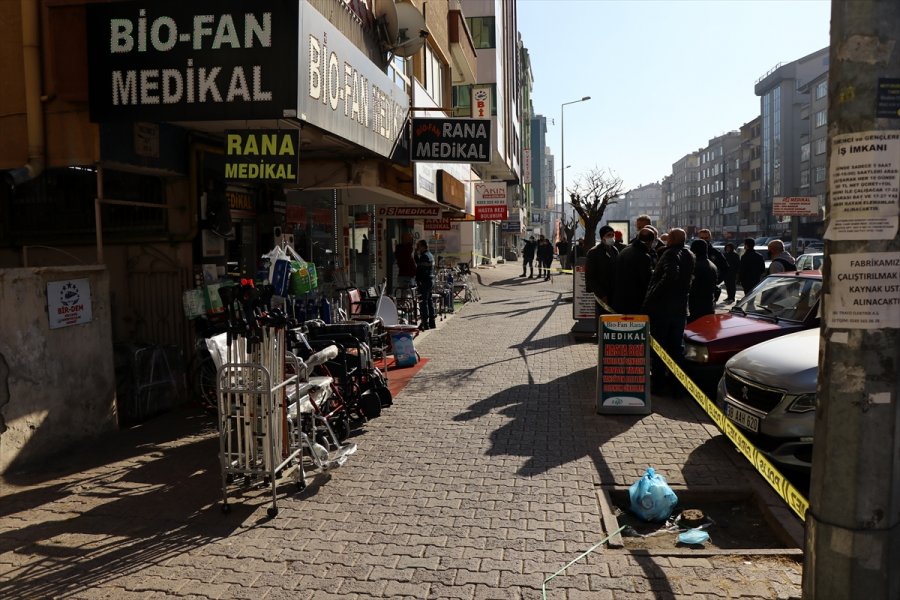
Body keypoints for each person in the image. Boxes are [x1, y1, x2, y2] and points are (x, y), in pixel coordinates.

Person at [642, 228, 695, 392]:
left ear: (671, 239)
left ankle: (658, 385)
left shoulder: (670, 253)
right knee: (676, 349)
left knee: (659, 348)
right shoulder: (690, 254)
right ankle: (677, 385)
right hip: (680, 309)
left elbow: (670, 275)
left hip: (664, 309)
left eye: (669, 237)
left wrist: (653, 296)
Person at [612, 226, 657, 314]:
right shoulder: (643, 256)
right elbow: (647, 281)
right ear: (650, 242)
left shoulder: (625, 250)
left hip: (619, 300)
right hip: (634, 303)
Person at [585, 225, 619, 330]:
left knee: (613, 321)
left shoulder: (614, 249)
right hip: (602, 294)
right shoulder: (594, 252)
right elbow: (590, 277)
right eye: (609, 235)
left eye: (613, 235)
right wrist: (601, 294)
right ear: (602, 237)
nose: (612, 237)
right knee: (603, 320)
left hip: (614, 292)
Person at [688, 239, 718, 322]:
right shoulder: (712, 265)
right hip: (709, 304)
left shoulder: (696, 266)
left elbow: (692, 286)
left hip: (698, 306)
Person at [698, 229, 727, 299]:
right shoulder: (694, 252)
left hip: (711, 288)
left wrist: (717, 281)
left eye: (706, 238)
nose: (704, 240)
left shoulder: (715, 253)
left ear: (710, 238)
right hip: (697, 288)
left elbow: (725, 268)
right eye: (702, 238)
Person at [414, 239, 436, 330]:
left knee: (423, 302)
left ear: (423, 246)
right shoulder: (430, 255)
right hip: (430, 280)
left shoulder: (424, 257)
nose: (417, 248)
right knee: (429, 301)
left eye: (418, 246)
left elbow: (420, 270)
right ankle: (432, 322)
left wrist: (418, 280)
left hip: (424, 281)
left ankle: (425, 323)